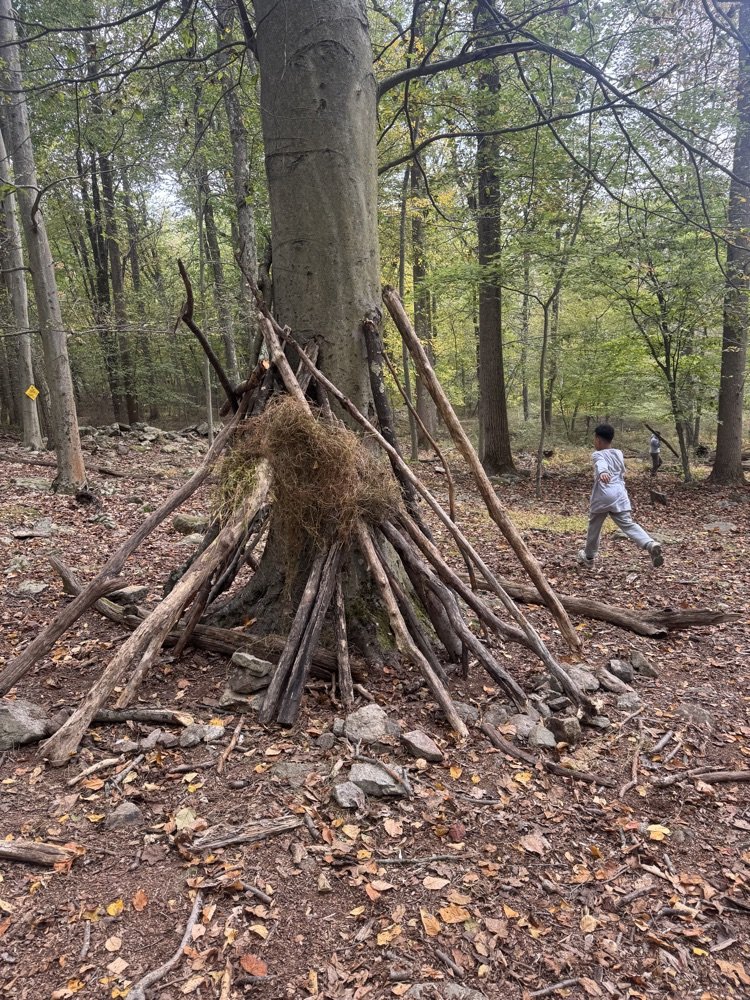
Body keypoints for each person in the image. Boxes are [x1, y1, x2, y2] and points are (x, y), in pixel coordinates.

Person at [577, 423, 664, 569]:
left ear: (598, 439)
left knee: (594, 527)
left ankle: (589, 556)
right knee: (628, 524)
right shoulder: (618, 453)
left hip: (603, 495)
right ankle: (650, 544)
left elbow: (601, 463)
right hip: (620, 494)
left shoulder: (597, 454)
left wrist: (603, 472)